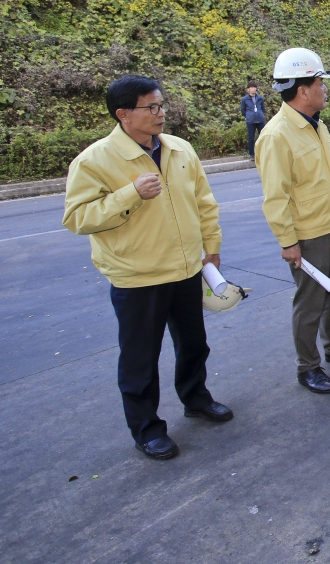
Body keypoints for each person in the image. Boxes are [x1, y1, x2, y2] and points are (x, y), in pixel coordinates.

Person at [63, 75, 232, 460]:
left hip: (187, 268)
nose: (161, 114)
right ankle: (147, 428)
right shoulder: (94, 160)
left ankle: (196, 398)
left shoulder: (180, 149)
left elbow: (204, 202)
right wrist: (130, 194)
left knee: (193, 344)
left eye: (161, 106)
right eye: (151, 108)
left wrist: (211, 248)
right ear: (124, 114)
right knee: (140, 358)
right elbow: (78, 218)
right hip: (137, 277)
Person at [255, 48, 330, 395]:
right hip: (307, 235)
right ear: (303, 90)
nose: (326, 89)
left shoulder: (316, 125)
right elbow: (275, 197)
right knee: (310, 303)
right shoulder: (277, 135)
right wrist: (288, 242)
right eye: (320, 82)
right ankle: (307, 367)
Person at [240, 81, 266, 160]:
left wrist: (260, 114)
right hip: (251, 120)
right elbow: (243, 110)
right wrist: (248, 115)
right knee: (251, 138)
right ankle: (252, 154)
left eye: (254, 87)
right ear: (248, 89)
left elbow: (263, 108)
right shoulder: (245, 99)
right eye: (251, 88)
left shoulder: (260, 98)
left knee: (263, 137)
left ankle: (263, 153)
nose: (253, 89)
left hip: (260, 119)